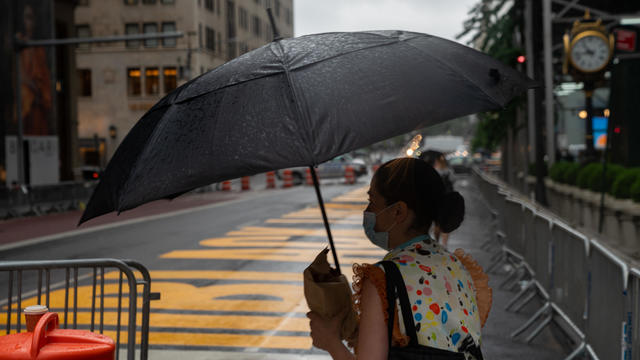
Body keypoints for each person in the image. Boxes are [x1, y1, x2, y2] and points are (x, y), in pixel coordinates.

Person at [307, 158, 490, 360]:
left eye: (372, 201)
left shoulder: (384, 280)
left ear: (398, 211)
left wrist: (331, 342)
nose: (367, 212)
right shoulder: (457, 266)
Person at [419, 150, 454, 248]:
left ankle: (437, 241)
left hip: (436, 199)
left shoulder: (433, 171)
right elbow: (453, 181)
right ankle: (444, 244)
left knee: (437, 223)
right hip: (448, 198)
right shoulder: (449, 171)